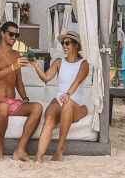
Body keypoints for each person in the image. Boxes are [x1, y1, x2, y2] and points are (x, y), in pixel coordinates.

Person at [0, 21, 43, 161]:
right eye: (11, 34)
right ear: (2, 34)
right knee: (2, 107)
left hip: (12, 102)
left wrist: (25, 98)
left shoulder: (16, 55)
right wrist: (13, 67)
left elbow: (18, 82)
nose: (14, 37)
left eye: (17, 35)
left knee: (37, 108)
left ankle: (20, 149)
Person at [30, 30, 89, 163]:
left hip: (76, 103)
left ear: (76, 45)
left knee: (67, 105)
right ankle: (39, 157)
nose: (64, 46)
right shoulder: (58, 62)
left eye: (67, 43)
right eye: (63, 43)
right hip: (59, 100)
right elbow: (46, 78)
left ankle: (59, 151)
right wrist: (35, 65)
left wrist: (68, 94)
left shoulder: (84, 64)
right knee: (49, 118)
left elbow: (77, 81)